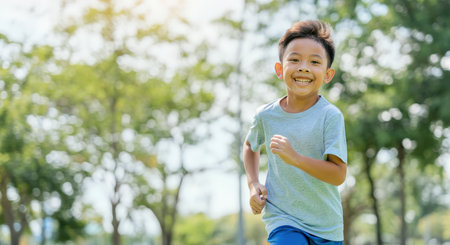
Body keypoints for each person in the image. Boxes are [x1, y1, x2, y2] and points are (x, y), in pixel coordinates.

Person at [243, 20, 347, 244]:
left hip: (326, 227)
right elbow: (250, 146)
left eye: (314, 62)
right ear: (280, 69)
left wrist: (296, 159)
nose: (303, 67)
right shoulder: (266, 115)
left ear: (328, 74)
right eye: (294, 59)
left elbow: (338, 174)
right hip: (283, 219)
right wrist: (253, 183)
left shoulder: (330, 116)